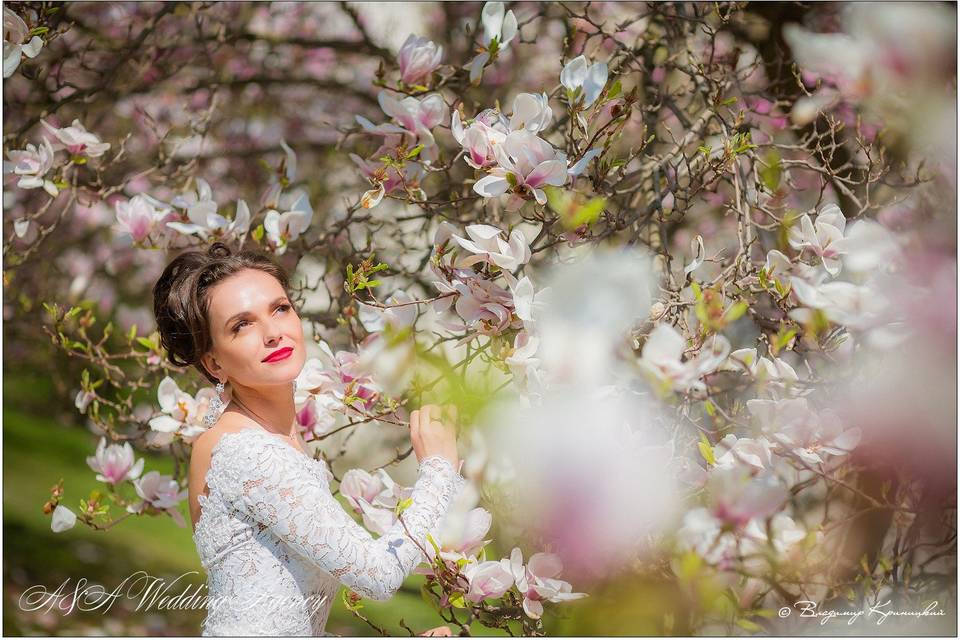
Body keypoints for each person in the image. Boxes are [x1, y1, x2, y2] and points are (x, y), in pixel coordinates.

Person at [152, 242, 464, 636]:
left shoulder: (269, 441)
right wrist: (439, 470)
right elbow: (377, 576)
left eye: (280, 308)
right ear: (214, 363)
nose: (272, 333)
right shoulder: (248, 453)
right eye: (241, 325)